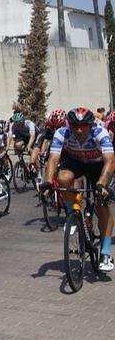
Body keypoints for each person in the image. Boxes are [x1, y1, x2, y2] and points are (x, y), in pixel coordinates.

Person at [40, 108, 115, 272]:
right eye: (75, 126)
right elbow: (53, 160)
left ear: (90, 125)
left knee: (102, 205)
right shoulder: (62, 133)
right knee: (63, 178)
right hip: (75, 162)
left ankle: (106, 252)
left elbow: (110, 161)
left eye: (83, 126)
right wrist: (46, 183)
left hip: (98, 165)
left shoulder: (100, 133)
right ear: (69, 124)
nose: (79, 130)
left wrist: (102, 184)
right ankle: (71, 213)